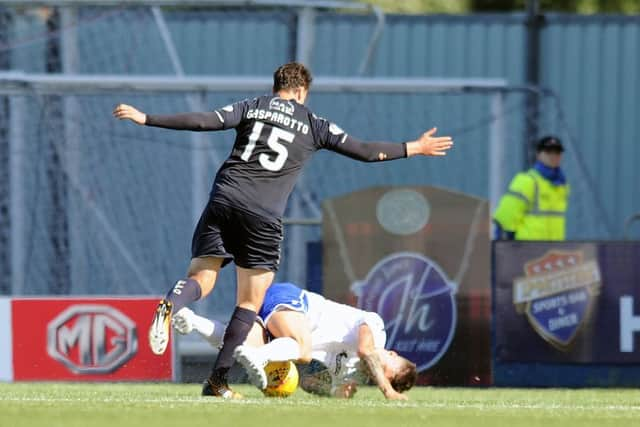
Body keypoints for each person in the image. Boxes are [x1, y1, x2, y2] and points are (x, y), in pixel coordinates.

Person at [113, 62, 451, 398]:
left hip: (223, 198)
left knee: (202, 277)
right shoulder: (313, 124)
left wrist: (147, 118)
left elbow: (206, 120)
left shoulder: (252, 107)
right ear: (302, 91)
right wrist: (414, 147)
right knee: (249, 302)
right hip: (261, 215)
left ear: (277, 85)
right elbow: (363, 151)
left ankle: (173, 302)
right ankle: (217, 382)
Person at [172, 282, 417, 400]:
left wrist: (332, 390)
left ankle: (193, 322)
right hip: (293, 301)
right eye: (385, 371)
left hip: (281, 327)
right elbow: (366, 350)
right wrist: (388, 391)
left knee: (238, 344)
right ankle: (260, 357)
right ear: (392, 354)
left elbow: (307, 382)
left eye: (383, 380)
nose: (379, 376)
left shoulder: (352, 377)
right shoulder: (377, 330)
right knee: (302, 349)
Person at [493, 136, 569, 241]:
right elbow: (505, 218)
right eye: (548, 152)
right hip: (527, 251)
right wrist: (505, 248)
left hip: (552, 251)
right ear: (538, 155)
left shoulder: (561, 187)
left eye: (557, 152)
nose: (553, 155)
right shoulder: (527, 181)